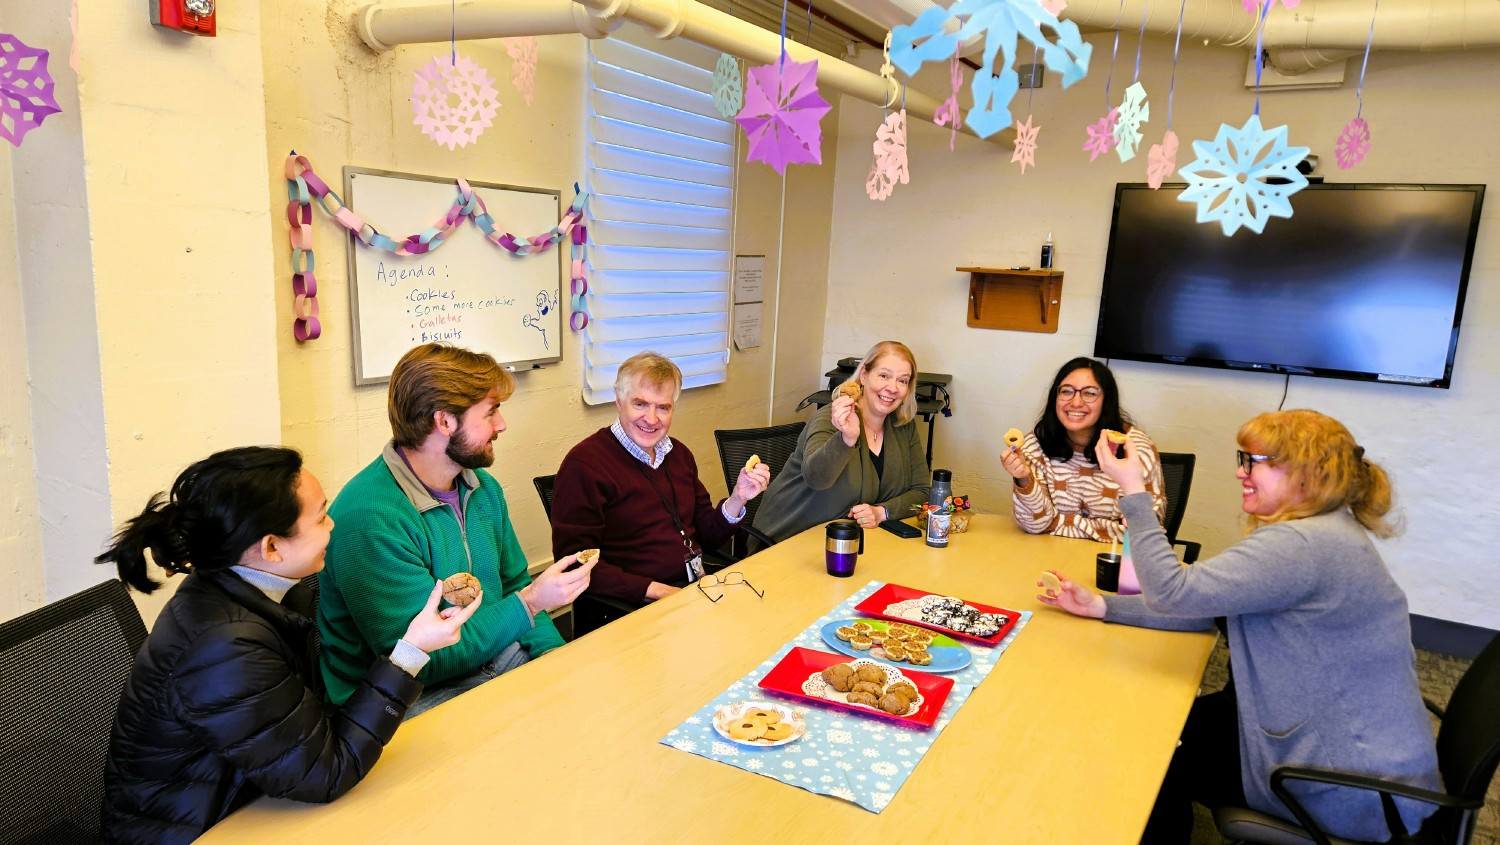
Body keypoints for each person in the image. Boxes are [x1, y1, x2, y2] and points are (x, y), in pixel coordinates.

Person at [1038, 410, 1439, 842]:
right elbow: (1209, 606)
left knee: (1143, 754)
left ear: (1307, 474)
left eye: (1254, 461)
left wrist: (1133, 488)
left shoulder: (1302, 544)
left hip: (1346, 786)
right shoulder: (1324, 531)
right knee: (1147, 723)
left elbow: (1173, 592)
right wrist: (1101, 606)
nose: (1239, 472)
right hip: (1358, 759)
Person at [97, 447, 479, 844]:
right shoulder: (226, 648)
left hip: (260, 798)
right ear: (272, 548)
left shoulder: (253, 592)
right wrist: (411, 652)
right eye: (321, 517)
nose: (333, 525)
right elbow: (328, 772)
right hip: (200, 830)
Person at [318, 343, 594, 717]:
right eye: (491, 412)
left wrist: (554, 658)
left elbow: (513, 584)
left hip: (491, 658)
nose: (501, 425)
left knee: (587, 703)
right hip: (402, 699)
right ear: (444, 421)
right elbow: (423, 661)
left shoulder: (483, 489)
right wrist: (531, 602)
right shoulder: (370, 518)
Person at [550, 353, 771, 627]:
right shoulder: (584, 465)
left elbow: (707, 535)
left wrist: (738, 498)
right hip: (628, 609)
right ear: (619, 401)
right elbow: (574, 564)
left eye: (663, 408)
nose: (651, 419)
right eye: (640, 404)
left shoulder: (679, 454)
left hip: (691, 592)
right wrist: (656, 591)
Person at [753, 341, 931, 543]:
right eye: (884, 376)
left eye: (902, 381)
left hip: (847, 541)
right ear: (864, 375)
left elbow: (922, 492)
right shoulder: (831, 417)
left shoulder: (902, 426)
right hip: (788, 538)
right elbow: (816, 478)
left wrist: (882, 512)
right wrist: (846, 439)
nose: (892, 388)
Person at [1000, 357, 1166, 542]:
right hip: (1050, 555)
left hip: (1112, 560)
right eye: (1067, 391)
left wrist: (1057, 523)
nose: (1076, 402)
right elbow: (1035, 524)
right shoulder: (1035, 445)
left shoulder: (1135, 449)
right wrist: (1023, 479)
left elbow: (1146, 531)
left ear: (1107, 400)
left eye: (1089, 393)